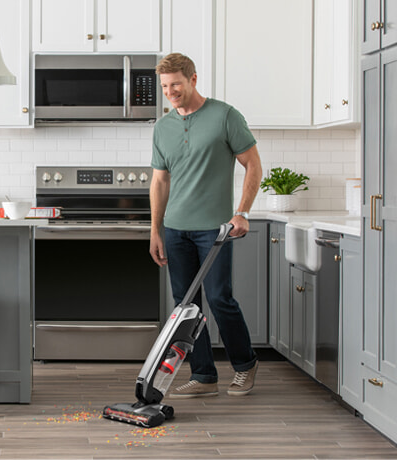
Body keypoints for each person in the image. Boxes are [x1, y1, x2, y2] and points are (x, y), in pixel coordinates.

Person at [149, 53, 263, 397]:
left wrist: (241, 211)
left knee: (219, 298)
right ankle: (203, 373)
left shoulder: (224, 116)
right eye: (165, 86)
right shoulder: (163, 127)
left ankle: (245, 365)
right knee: (186, 305)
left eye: (176, 85)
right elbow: (159, 182)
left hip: (215, 230)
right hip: (175, 229)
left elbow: (254, 166)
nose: (171, 92)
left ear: (193, 79)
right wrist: (156, 230)